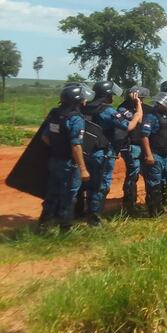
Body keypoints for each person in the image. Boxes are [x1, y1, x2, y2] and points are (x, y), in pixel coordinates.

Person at [83, 81, 143, 226]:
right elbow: (128, 126)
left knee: (89, 184)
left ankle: (86, 212)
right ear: (107, 95)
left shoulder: (86, 107)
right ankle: (95, 219)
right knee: (102, 185)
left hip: (86, 151)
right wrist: (138, 107)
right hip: (103, 153)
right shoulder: (106, 110)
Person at [39, 84, 93, 232]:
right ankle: (66, 228)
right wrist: (83, 169)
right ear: (77, 101)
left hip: (54, 160)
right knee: (69, 196)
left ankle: (44, 224)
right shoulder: (76, 119)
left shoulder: (55, 114)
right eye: (83, 100)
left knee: (52, 193)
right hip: (69, 164)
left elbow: (45, 137)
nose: (84, 102)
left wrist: (58, 148)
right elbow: (76, 145)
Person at [140, 92, 167, 216]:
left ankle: (161, 207)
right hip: (155, 154)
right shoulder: (151, 117)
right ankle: (153, 211)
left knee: (163, 182)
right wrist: (149, 155)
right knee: (154, 183)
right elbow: (144, 136)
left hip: (165, 155)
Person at [116, 86, 149, 215]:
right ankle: (129, 204)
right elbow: (139, 120)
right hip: (131, 146)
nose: (143, 101)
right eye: (141, 98)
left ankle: (138, 202)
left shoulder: (135, 108)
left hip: (139, 145)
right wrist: (138, 105)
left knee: (143, 173)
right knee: (133, 174)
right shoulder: (124, 109)